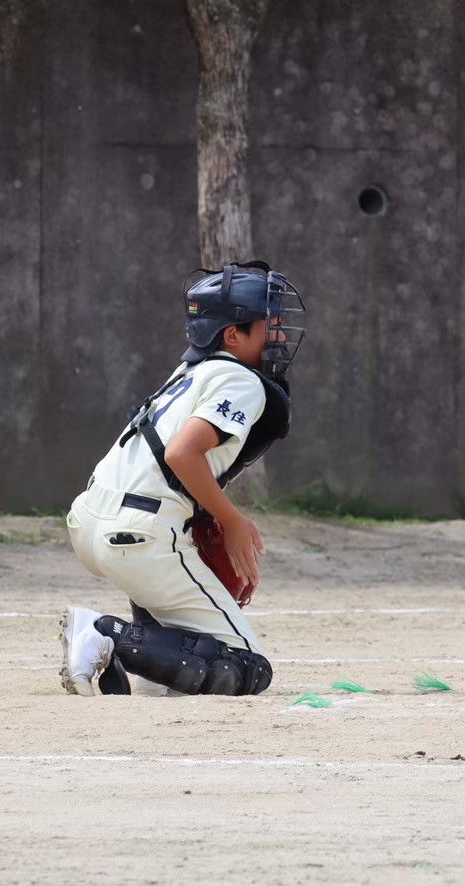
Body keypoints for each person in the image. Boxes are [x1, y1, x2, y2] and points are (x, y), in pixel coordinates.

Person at [58, 261, 305, 697]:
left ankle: (143, 654)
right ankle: (105, 635)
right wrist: (232, 521)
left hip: (94, 519)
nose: (281, 337)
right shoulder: (241, 380)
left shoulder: (191, 372)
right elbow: (182, 454)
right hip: (140, 534)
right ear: (233, 335)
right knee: (247, 668)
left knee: (183, 676)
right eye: (270, 326)